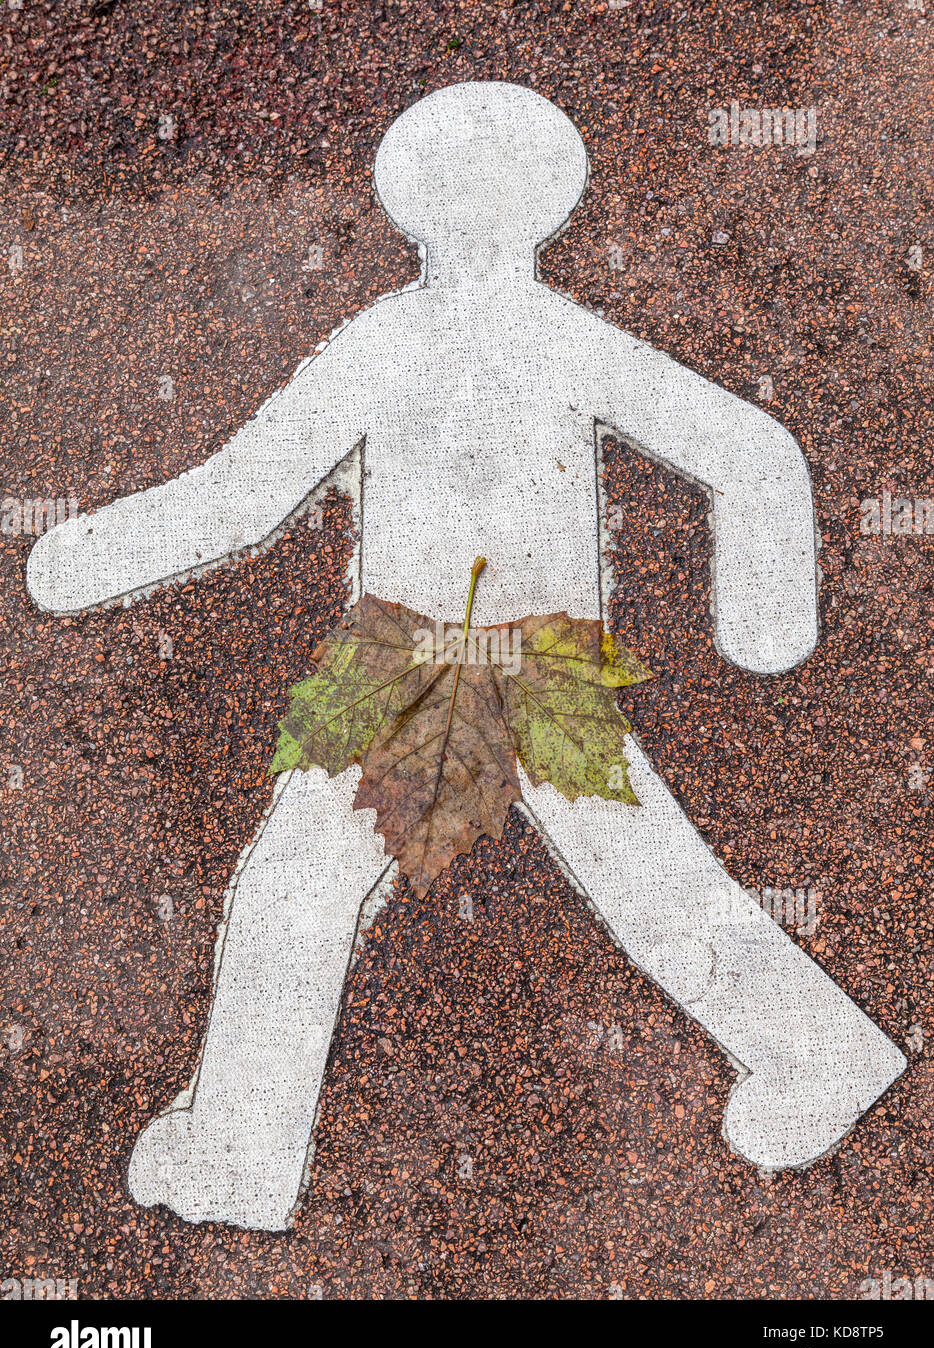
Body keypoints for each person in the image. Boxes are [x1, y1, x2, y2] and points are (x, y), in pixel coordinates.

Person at [27, 81, 904, 1231]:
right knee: (637, 878)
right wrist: (762, 614)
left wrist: (88, 555)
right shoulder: (556, 337)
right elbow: (747, 452)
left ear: (405, 203)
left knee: (302, 890)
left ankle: (240, 1156)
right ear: (553, 201)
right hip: (500, 667)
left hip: (425, 668)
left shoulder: (391, 341)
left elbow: (239, 496)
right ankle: (814, 1049)